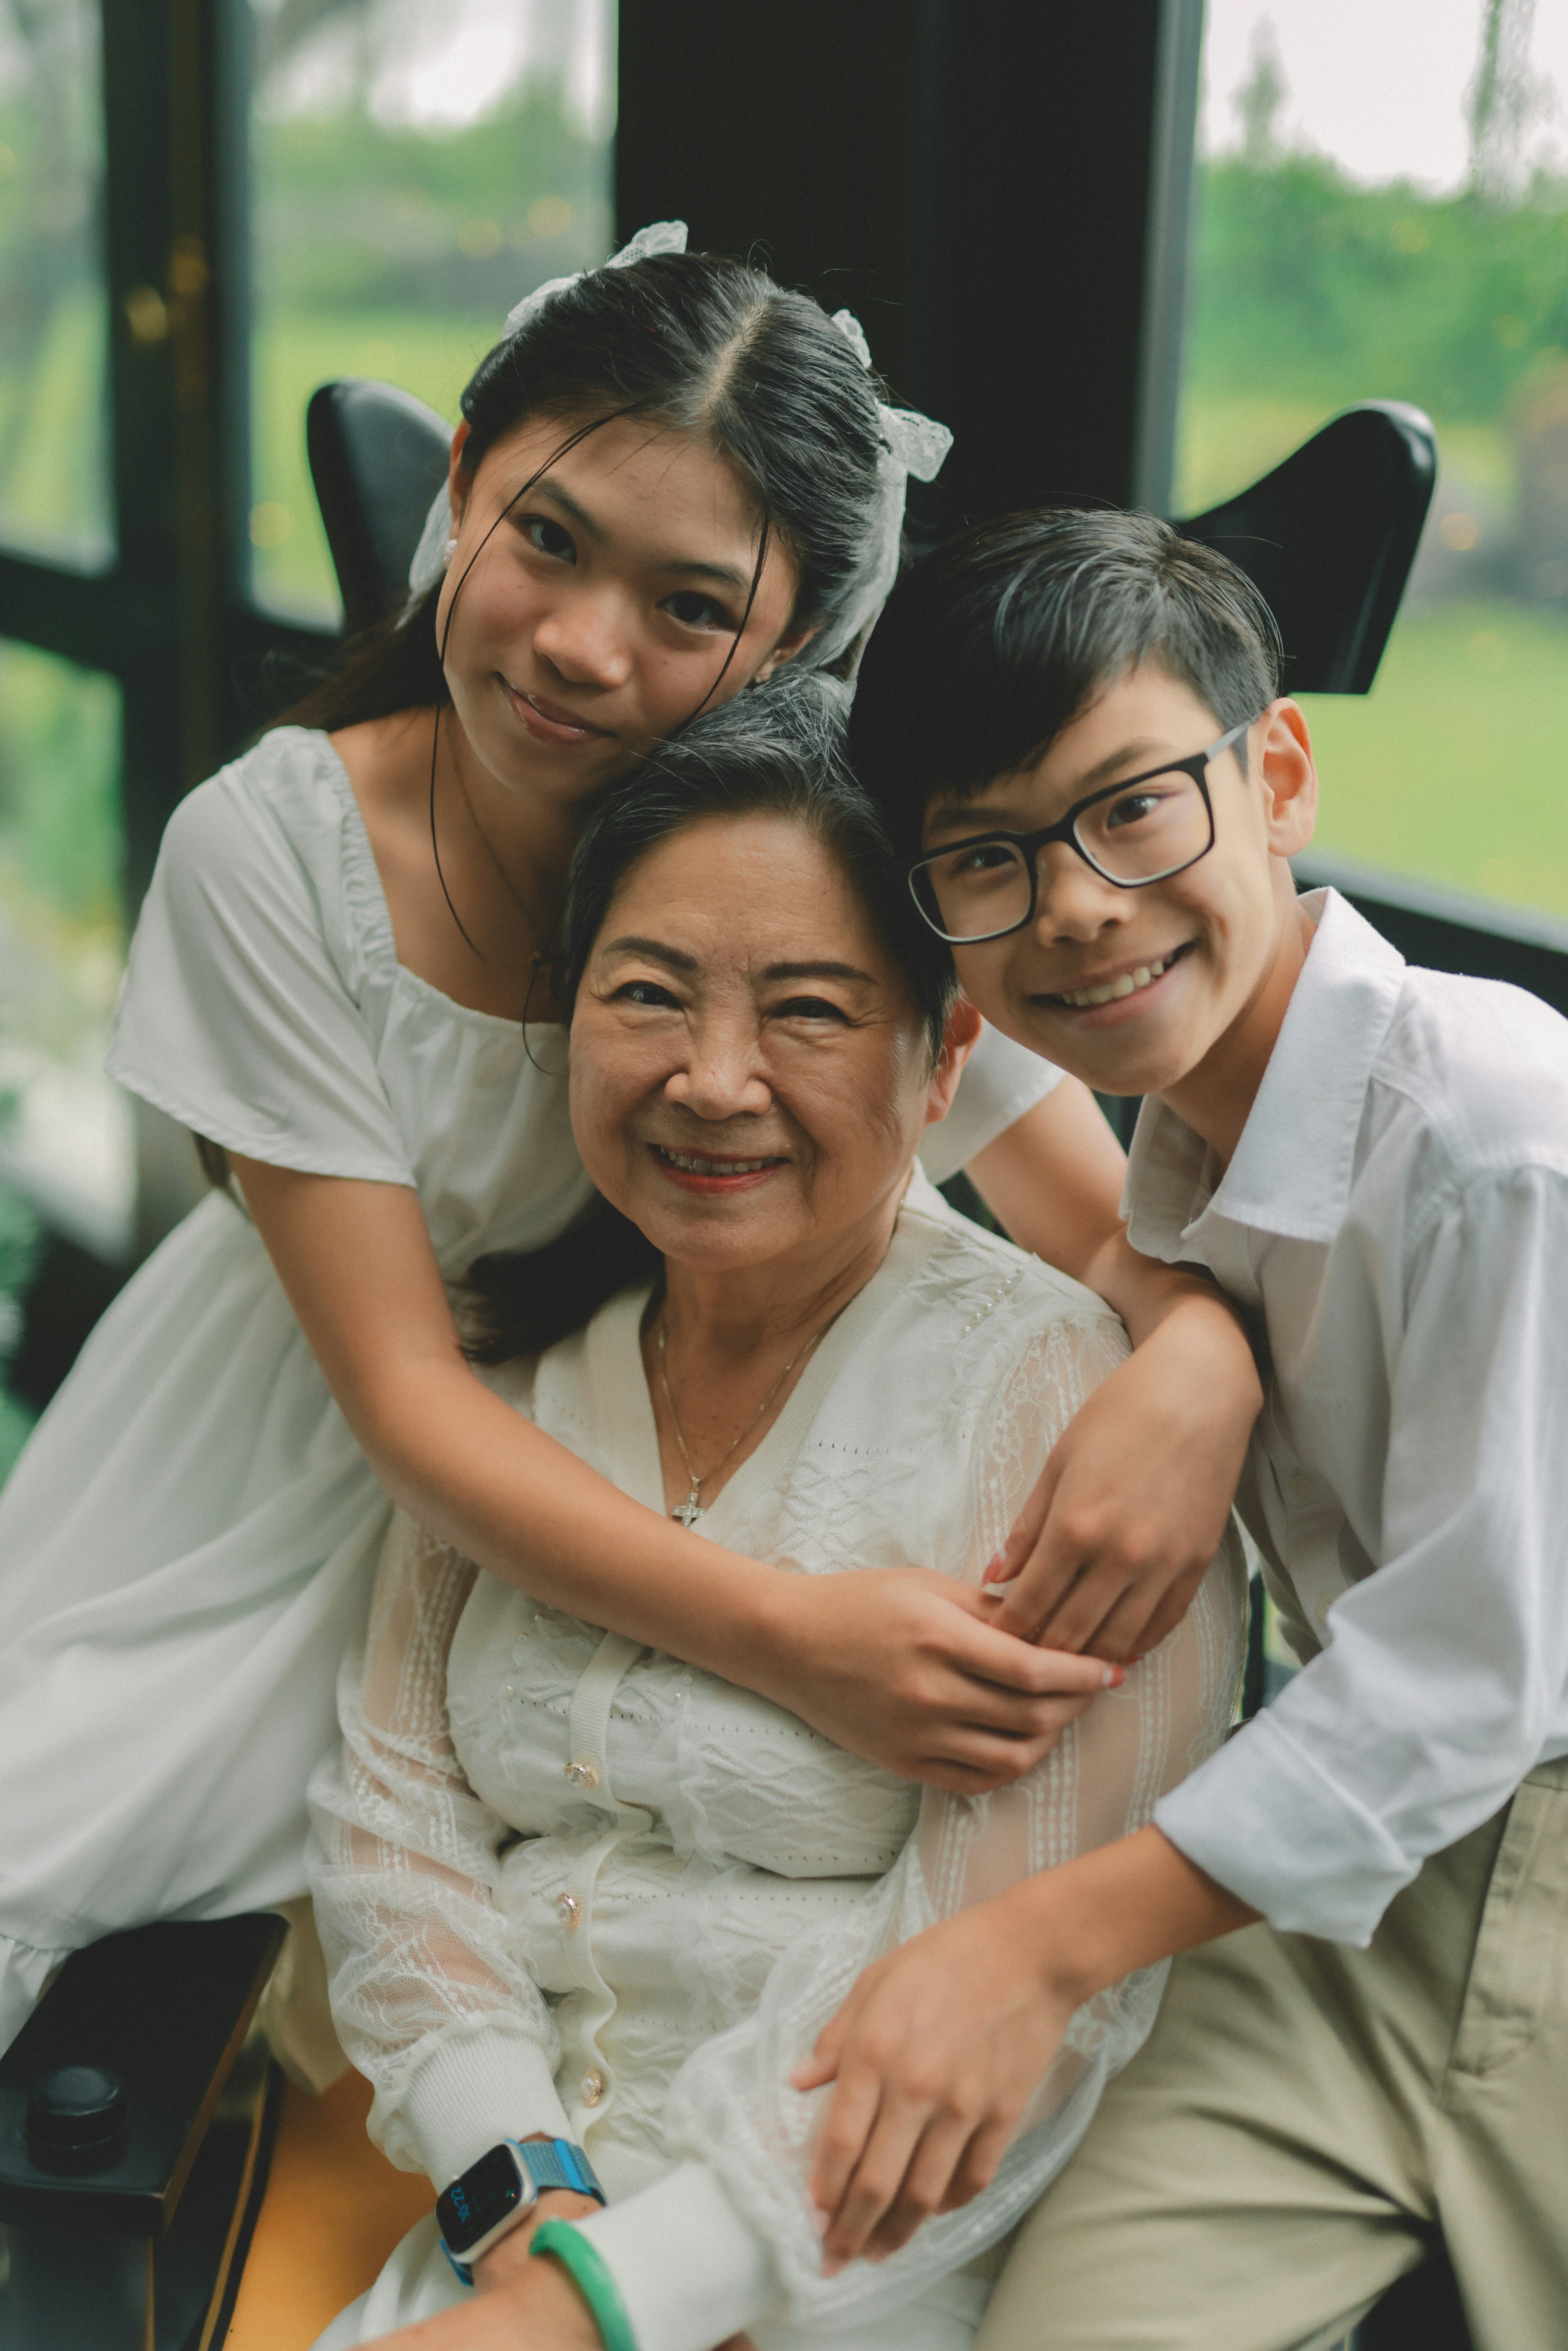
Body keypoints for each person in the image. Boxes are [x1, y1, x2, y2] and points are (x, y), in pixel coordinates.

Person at [0, 240, 1261, 2062]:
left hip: (655, 1453)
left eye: (689, 607)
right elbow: (407, 1404)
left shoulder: (799, 856)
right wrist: (797, 1638)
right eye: (548, 540)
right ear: (461, 485)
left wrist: (1201, 1357)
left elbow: (1096, 1221)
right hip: (311, 1461)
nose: (584, 645)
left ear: (801, 635)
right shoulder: (277, 846)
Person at [304, 675, 1247, 2351]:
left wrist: (609, 2304)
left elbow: (1017, 1996)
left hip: (832, 2284)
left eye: (806, 1009)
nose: (712, 1080)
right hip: (497, 2252)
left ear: (946, 1049)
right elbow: (395, 1819)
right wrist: (523, 2192)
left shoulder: (1052, 1404)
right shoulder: (512, 1386)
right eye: (648, 993)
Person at [784, 505, 1568, 2347]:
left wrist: (1025, 1944)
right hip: (1343, 1889)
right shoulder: (1185, 1147)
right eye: (982, 859)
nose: (1070, 903)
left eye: (1133, 807)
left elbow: (1466, 1678)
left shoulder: (1488, 1133)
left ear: (1274, 774)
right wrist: (1191, 1328)